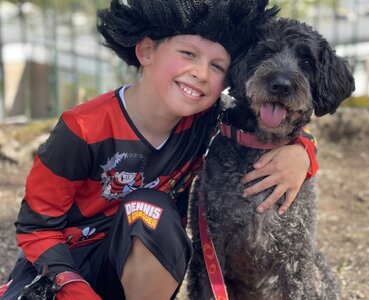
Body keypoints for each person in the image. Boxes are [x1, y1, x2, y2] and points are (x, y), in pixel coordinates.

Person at [0, 0, 317, 299]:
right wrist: (73, 287)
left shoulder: (203, 121)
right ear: (146, 50)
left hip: (136, 268)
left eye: (217, 65)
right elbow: (36, 228)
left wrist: (303, 153)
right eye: (188, 54)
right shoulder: (81, 129)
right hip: (65, 270)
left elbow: (256, 128)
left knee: (150, 209)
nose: (201, 73)